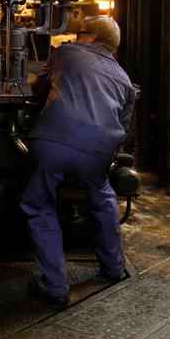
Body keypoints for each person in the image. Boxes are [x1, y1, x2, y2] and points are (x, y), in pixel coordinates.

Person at [20, 15, 136, 310]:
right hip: (98, 153)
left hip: (53, 143)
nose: (75, 38)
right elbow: (123, 125)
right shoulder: (124, 79)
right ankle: (113, 268)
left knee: (39, 204)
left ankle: (55, 286)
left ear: (92, 37)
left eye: (80, 33)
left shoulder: (66, 53)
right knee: (103, 199)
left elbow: (36, 89)